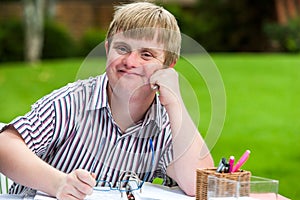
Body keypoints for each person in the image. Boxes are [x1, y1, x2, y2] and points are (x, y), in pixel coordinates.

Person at [0, 2, 214, 199]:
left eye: (146, 55)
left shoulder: (165, 123)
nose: (130, 61)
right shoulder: (74, 101)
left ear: (168, 66)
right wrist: (58, 184)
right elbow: (4, 146)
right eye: (122, 49)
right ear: (107, 49)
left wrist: (175, 104)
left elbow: (198, 184)